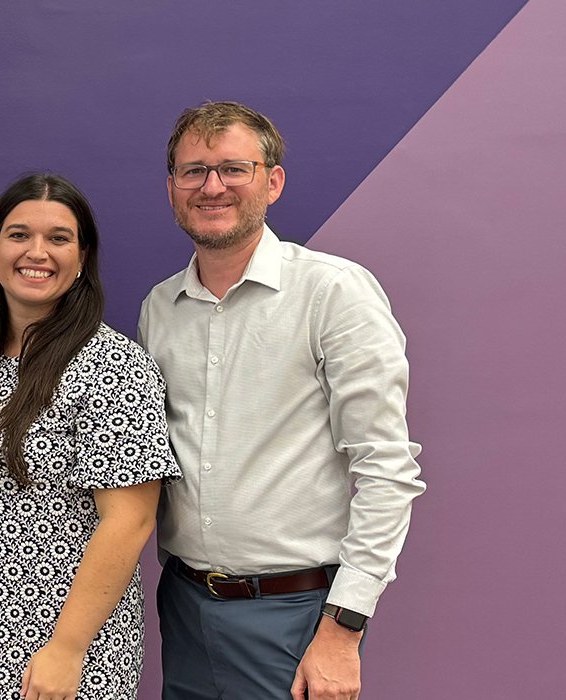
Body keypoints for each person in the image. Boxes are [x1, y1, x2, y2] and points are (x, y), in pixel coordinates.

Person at [138, 101, 426, 700]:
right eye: (193, 171)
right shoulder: (159, 309)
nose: (211, 186)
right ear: (171, 188)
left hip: (295, 618)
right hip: (183, 609)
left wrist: (343, 628)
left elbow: (386, 470)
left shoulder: (332, 292)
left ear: (273, 182)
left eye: (233, 169)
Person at [0, 173, 179, 700]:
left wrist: (66, 649)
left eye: (58, 238)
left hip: (59, 657)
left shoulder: (112, 367)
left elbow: (131, 518)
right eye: (19, 235)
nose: (38, 252)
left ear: (82, 259)